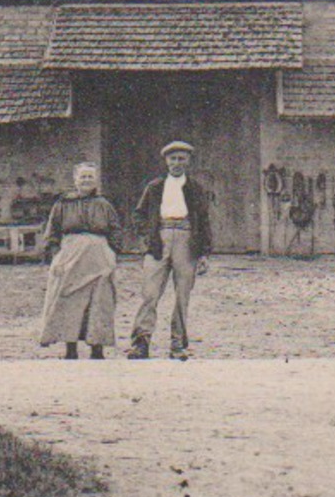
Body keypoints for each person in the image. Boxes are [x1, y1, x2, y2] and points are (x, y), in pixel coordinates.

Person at [126, 141, 213, 360]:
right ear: (166, 161)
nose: (177, 163)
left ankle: (178, 344)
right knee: (150, 293)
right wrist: (148, 236)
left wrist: (203, 253)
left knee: (182, 295)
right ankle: (141, 342)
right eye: (173, 159)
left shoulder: (196, 189)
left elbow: (203, 220)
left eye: (181, 159)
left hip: (186, 239)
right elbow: (138, 214)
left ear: (188, 161)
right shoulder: (155, 187)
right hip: (159, 238)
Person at [38, 162, 121, 360]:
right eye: (82, 177)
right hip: (70, 257)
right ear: (75, 180)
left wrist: (112, 253)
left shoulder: (104, 204)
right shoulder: (62, 204)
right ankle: (71, 347)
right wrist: (55, 257)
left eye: (90, 177)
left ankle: (97, 347)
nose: (86, 181)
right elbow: (52, 233)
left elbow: (115, 229)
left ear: (96, 180)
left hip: (99, 258)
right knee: (69, 299)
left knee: (100, 301)